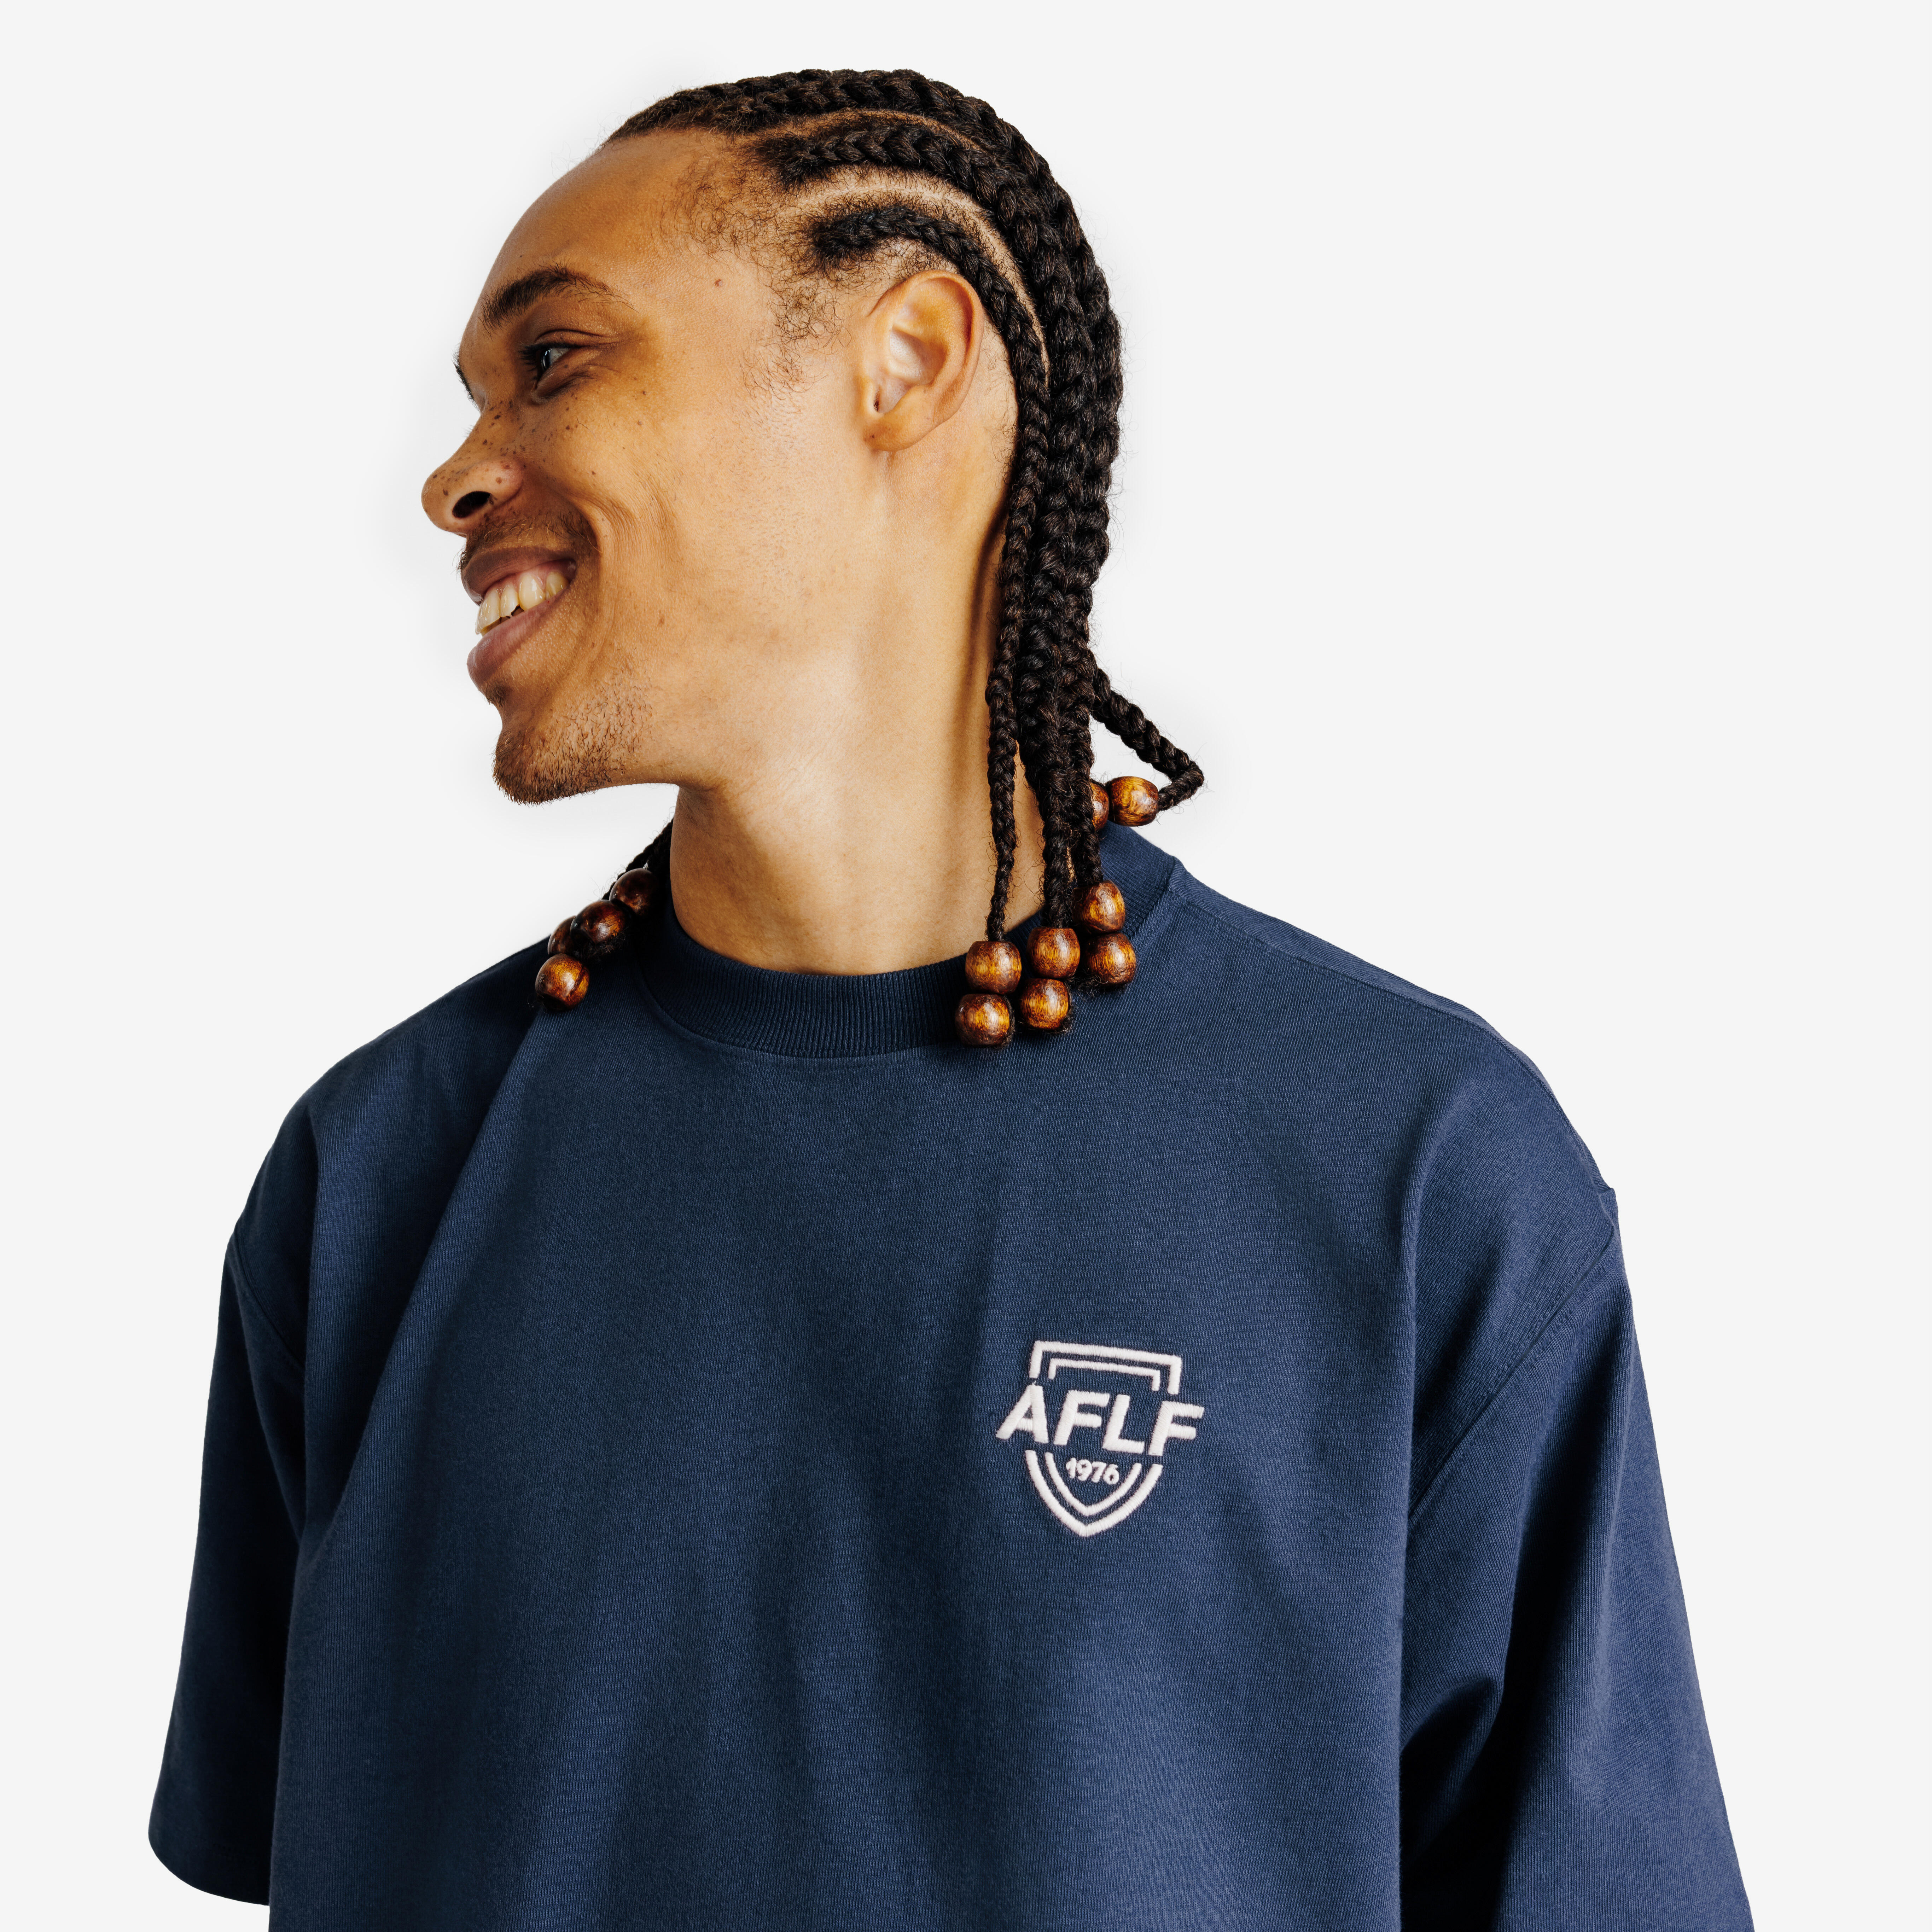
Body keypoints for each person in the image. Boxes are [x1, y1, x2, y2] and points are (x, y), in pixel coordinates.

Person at [150, 69, 1753, 1929]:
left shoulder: (1413, 1171)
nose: (455, 477)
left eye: (556, 362)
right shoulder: (373, 1174)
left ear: (905, 361)